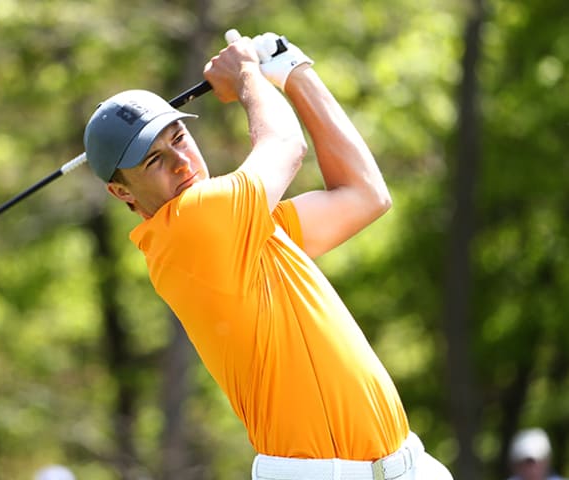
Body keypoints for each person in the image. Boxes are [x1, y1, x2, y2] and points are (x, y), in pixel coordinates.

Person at [83, 29, 454, 480]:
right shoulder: (189, 225)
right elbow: (285, 146)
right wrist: (245, 73)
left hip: (410, 464)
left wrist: (292, 69)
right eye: (153, 161)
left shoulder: (244, 226)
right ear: (121, 192)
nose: (181, 162)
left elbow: (365, 194)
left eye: (179, 138)